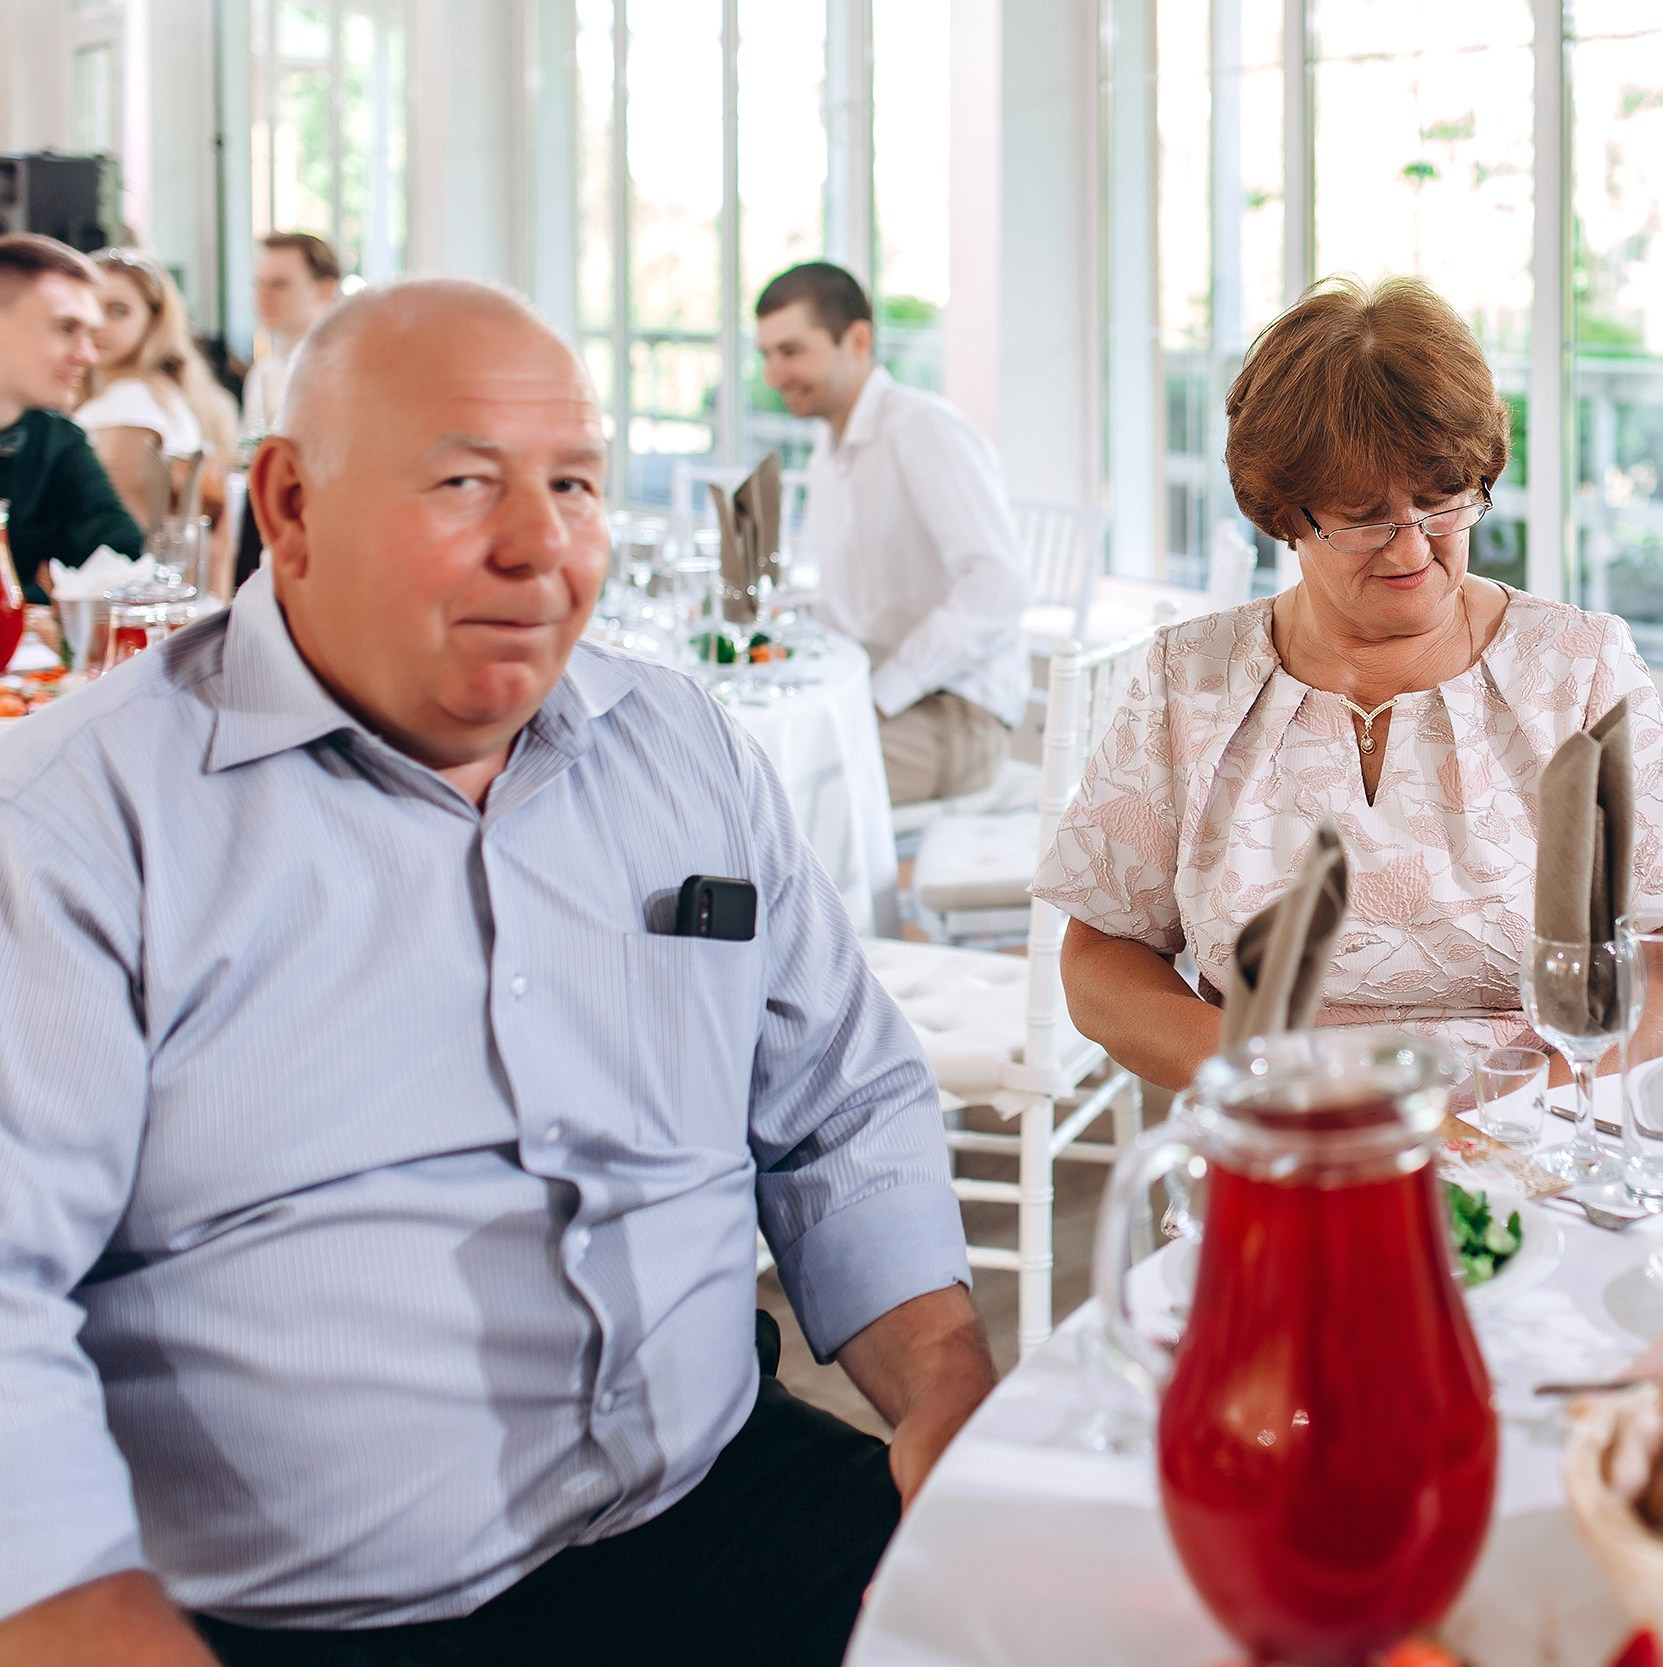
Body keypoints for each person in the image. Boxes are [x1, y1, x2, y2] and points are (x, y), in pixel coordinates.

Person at [0, 279, 993, 1665]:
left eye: (575, 482)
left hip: (716, 1498)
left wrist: (947, 1383)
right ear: (285, 507)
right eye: (466, 483)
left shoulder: (682, 746)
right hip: (304, 1617)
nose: (541, 546)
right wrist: (75, 1610)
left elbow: (841, 1103)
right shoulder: (74, 826)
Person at [1033, 276, 1663, 1092]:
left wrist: (1520, 1123)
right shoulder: (1193, 679)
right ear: (1286, 513)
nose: (1412, 550)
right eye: (1365, 518)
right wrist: (1292, 1090)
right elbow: (1100, 963)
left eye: (1443, 503)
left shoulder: (1578, 668)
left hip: (1537, 1135)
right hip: (1284, 1137)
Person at [755, 261, 1029, 804]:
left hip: (953, 714)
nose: (773, 374)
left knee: (777, 785)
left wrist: (882, 694)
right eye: (766, 355)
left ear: (857, 339)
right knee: (745, 751)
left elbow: (999, 585)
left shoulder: (922, 428)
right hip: (878, 697)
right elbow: (855, 601)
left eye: (791, 351)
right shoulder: (825, 453)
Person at [0, 234, 143, 604]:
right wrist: (43, 595)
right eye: (66, 329)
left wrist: (30, 599)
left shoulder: (56, 439)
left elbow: (119, 557)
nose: (88, 355)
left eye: (90, 334)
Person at [77, 247, 241, 532]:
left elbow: (126, 533)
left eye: (118, 310)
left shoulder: (130, 403)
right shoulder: (153, 394)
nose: (98, 324)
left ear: (154, 320)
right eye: (89, 306)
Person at [239, 230, 342, 438]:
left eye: (279, 284)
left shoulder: (347, 369)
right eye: (259, 284)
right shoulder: (263, 369)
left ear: (325, 289)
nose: (263, 296)